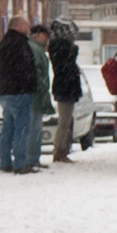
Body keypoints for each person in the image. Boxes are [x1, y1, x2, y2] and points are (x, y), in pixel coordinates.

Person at [0, 16, 37, 174]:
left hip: (5, 91)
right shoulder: (21, 44)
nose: (29, 29)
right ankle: (20, 163)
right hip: (20, 91)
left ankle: (4, 161)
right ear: (19, 26)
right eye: (27, 25)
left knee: (8, 128)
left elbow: (1, 70)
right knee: (22, 128)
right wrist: (30, 83)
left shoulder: (2, 43)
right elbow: (25, 68)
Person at [48, 19, 84, 164]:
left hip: (66, 87)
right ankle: (59, 150)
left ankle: (62, 149)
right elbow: (65, 67)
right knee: (64, 121)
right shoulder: (61, 47)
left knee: (66, 121)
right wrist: (73, 52)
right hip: (65, 88)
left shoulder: (58, 47)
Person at [23, 25, 53, 171]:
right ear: (39, 35)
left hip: (34, 93)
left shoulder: (35, 49)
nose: (47, 40)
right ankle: (31, 159)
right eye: (46, 36)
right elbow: (38, 73)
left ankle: (32, 159)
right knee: (34, 129)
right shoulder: (35, 50)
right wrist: (42, 89)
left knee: (34, 128)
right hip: (35, 95)